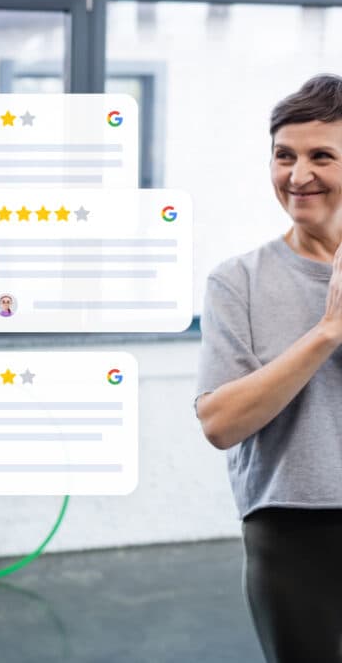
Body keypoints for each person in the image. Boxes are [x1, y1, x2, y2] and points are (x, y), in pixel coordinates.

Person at [195, 74, 342, 663]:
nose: (297, 175)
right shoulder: (238, 281)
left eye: (321, 156)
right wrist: (327, 331)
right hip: (292, 533)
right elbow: (221, 423)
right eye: (285, 156)